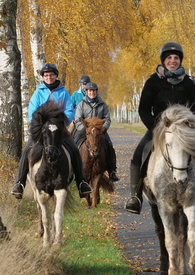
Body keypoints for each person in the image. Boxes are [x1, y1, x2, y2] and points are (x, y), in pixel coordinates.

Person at [123, 42, 195, 216]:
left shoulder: (187, 83)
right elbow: (143, 109)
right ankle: (135, 198)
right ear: (164, 61)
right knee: (138, 155)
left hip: (185, 131)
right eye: (169, 58)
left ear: (180, 60)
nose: (173, 61)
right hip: (159, 129)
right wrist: (155, 128)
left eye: (176, 58)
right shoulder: (153, 82)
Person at [11, 63, 92, 199]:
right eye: (46, 75)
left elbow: (69, 110)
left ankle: (82, 182)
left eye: (51, 75)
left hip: (59, 128)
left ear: (56, 76)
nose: (49, 77)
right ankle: (19, 183)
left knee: (73, 149)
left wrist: (62, 119)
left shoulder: (63, 92)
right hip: (42, 129)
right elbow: (32, 111)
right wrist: (40, 121)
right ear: (43, 77)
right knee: (27, 150)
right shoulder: (38, 92)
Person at [74, 81, 120, 182]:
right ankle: (72, 171)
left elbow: (107, 119)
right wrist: (84, 129)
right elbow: (77, 119)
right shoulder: (81, 104)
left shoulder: (102, 104)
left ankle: (112, 171)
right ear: (86, 92)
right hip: (85, 130)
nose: (92, 93)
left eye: (94, 91)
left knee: (109, 145)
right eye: (90, 91)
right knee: (74, 144)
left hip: (99, 131)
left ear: (96, 91)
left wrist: (103, 129)